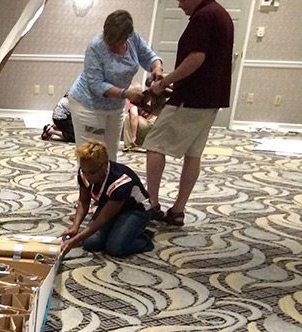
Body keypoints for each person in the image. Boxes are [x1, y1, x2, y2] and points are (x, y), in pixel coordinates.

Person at [144, 0, 234, 228]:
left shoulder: (203, 17)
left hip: (191, 98)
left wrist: (164, 83)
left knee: (155, 145)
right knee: (194, 153)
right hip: (211, 98)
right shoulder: (221, 14)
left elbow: (196, 58)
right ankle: (178, 210)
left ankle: (152, 204)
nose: (179, 4)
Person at [67, 10, 163, 162]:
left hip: (115, 107)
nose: (110, 44)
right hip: (88, 105)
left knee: (110, 156)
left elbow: (150, 57)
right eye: (108, 39)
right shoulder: (95, 46)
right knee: (91, 158)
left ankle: (108, 179)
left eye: (116, 40)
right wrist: (126, 93)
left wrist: (157, 68)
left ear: (127, 36)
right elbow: (96, 85)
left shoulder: (133, 38)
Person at [61, 140, 153, 257]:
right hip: (107, 206)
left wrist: (75, 240)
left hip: (135, 210)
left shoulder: (120, 181)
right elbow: (84, 201)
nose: (87, 176)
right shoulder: (84, 173)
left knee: (115, 247)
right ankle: (121, 231)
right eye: (84, 171)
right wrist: (75, 227)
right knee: (90, 242)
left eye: (92, 172)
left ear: (104, 166)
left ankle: (143, 237)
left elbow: (103, 218)